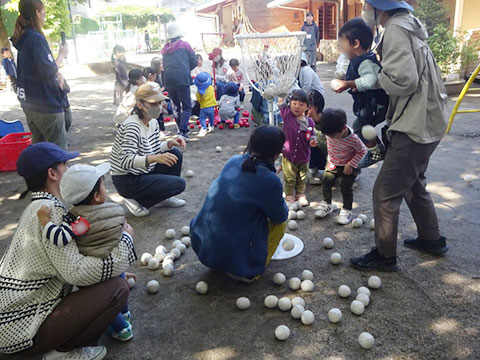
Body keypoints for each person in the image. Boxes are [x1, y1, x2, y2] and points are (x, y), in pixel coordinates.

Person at [0, 142, 135, 359]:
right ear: (52, 173)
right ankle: (62, 352)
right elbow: (77, 272)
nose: (69, 169)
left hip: (12, 320)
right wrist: (125, 243)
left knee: (112, 281)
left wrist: (109, 271)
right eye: (65, 165)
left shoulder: (41, 206)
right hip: (22, 330)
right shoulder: (52, 212)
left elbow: (67, 261)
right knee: (117, 290)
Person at [350, 0, 449, 271]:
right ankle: (432, 239)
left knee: (385, 191)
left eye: (366, 3)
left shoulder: (395, 29)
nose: (364, 7)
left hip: (414, 124)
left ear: (378, 6)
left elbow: (404, 80)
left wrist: (374, 81)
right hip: (429, 118)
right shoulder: (409, 24)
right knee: (412, 182)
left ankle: (384, 256)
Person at [190, 125, 288, 282]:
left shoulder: (234, 161)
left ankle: (226, 260)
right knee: (281, 223)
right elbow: (280, 215)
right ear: (277, 153)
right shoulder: (271, 181)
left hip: (203, 247)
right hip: (232, 259)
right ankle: (250, 269)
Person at [110, 82, 187, 217]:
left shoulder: (153, 122)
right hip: (127, 179)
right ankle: (135, 200)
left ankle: (161, 198)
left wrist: (168, 144)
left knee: (175, 154)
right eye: (153, 103)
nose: (158, 106)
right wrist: (154, 158)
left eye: (159, 102)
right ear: (140, 105)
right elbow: (125, 160)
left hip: (143, 170)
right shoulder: (132, 126)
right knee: (179, 184)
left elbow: (152, 148)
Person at [331, 17, 389, 168]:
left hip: (377, 104)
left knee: (359, 126)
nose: (340, 48)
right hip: (369, 103)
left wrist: (348, 84)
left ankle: (376, 151)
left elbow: (370, 80)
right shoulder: (359, 60)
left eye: (342, 44)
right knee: (361, 126)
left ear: (355, 44)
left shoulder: (366, 62)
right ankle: (377, 148)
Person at [11, 0, 69, 149]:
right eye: (43, 12)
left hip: (30, 103)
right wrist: (62, 55)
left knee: (41, 153)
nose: (44, 16)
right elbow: (47, 70)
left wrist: (57, 74)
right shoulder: (35, 38)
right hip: (46, 104)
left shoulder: (23, 38)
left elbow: (38, 70)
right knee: (58, 156)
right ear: (37, 12)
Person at [315, 108, 367, 225]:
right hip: (332, 163)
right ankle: (327, 204)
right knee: (326, 181)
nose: (331, 138)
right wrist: (316, 142)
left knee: (345, 188)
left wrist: (351, 164)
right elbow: (326, 138)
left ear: (343, 128)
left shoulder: (353, 139)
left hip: (347, 167)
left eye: (333, 135)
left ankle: (347, 210)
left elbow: (362, 151)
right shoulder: (331, 131)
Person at [277, 90, 317, 206]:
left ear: (307, 107)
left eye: (301, 104)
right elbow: (281, 104)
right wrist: (281, 91)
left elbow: (312, 135)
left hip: (304, 155)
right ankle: (289, 194)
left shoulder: (309, 122)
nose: (297, 107)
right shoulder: (287, 115)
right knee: (289, 177)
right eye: (294, 103)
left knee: (302, 177)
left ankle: (300, 193)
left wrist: (313, 141)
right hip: (288, 155)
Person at [161, 23, 197, 140]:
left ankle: (181, 129)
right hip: (182, 78)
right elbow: (194, 61)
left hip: (168, 79)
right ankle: (183, 131)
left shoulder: (164, 49)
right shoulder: (185, 45)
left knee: (175, 105)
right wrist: (185, 69)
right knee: (186, 106)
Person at [306, 89, 326, 185]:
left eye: (307, 107)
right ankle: (313, 171)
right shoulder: (302, 122)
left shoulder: (330, 120)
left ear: (316, 108)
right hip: (321, 156)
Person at [194, 72, 216, 137]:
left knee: (202, 118)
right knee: (211, 117)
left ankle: (204, 128)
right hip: (211, 106)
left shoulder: (199, 92)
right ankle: (211, 126)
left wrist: (201, 102)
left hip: (204, 107)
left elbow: (198, 99)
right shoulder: (211, 88)